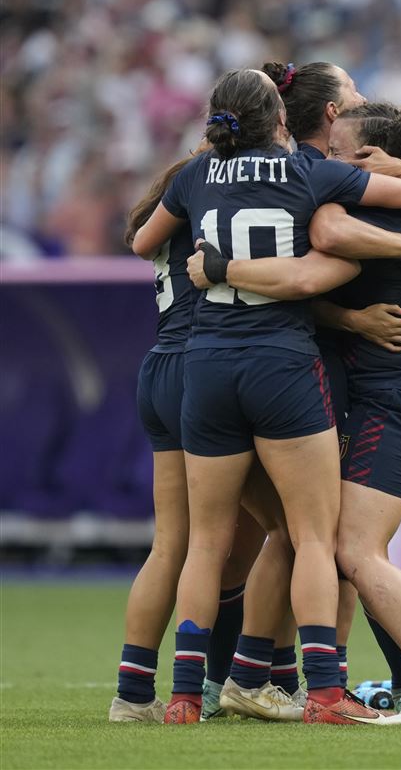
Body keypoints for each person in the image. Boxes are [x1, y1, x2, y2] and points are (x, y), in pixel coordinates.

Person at [131, 67, 401, 725]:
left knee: (203, 543)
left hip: (202, 364)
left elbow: (141, 242)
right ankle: (324, 692)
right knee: (309, 536)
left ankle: (181, 695)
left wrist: (214, 260)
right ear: (283, 119)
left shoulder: (191, 177)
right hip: (281, 365)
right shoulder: (309, 174)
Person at [192, 100, 401, 725]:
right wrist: (350, 316)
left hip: (394, 396)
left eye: (340, 150)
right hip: (380, 391)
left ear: (372, 159)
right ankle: (259, 678)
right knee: (304, 540)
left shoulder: (372, 207)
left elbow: (326, 238)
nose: (328, 159)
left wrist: (226, 269)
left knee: (348, 548)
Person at [109, 155, 268, 723]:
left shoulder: (168, 209)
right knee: (298, 531)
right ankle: (251, 678)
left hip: (159, 368)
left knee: (172, 543)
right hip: (204, 369)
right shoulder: (222, 204)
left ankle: (132, 695)